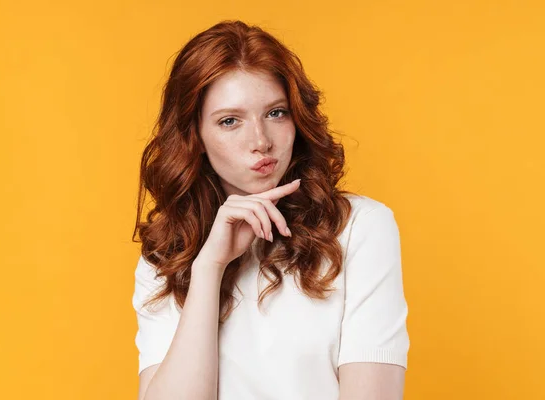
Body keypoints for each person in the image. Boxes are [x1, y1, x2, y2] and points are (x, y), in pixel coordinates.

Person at [131, 19, 410, 400]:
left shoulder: (359, 228)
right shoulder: (168, 255)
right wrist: (209, 268)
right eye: (230, 121)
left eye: (276, 113)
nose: (260, 141)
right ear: (194, 136)